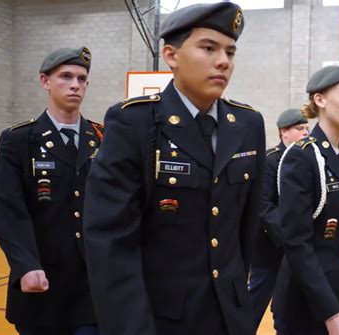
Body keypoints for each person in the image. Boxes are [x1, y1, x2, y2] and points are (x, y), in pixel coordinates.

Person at [82, 3, 265, 335]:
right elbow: (111, 243)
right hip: (160, 320)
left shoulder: (248, 124)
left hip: (231, 317)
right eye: (208, 48)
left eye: (230, 51)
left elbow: (245, 230)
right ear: (171, 55)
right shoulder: (134, 122)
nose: (223, 61)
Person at [0, 47, 102, 335]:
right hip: (40, 284)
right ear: (45, 81)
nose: (75, 85)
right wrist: (25, 265)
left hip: (90, 289)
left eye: (81, 79)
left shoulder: (103, 139)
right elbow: (8, 210)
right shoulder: (19, 140)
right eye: (66, 77)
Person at [273, 63, 339, 335]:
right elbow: (296, 241)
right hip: (309, 303)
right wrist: (331, 312)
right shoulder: (301, 156)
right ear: (320, 100)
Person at [249, 108, 309, 330]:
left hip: (298, 248)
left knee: (288, 306)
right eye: (299, 128)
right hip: (270, 248)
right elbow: (263, 204)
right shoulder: (270, 160)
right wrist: (287, 235)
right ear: (284, 131)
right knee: (256, 301)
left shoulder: (307, 158)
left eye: (306, 128)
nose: (306, 132)